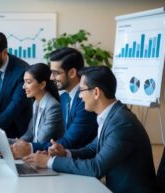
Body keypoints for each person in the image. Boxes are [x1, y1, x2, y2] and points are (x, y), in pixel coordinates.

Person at [24, 66, 158, 193]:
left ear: (96, 92)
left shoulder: (121, 123)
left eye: (81, 90)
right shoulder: (112, 115)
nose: (80, 97)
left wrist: (49, 162)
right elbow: (92, 149)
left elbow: (96, 167)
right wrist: (65, 153)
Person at [29, 47, 97, 152]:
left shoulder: (85, 101)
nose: (51, 77)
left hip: (78, 162)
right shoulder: (64, 98)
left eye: (56, 73)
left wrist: (30, 148)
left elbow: (70, 142)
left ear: (72, 73)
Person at [11, 63, 64, 159]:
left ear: (42, 84)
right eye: (24, 82)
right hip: (34, 154)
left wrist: (22, 147)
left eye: (28, 82)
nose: (24, 87)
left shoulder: (53, 106)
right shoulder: (36, 103)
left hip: (43, 157)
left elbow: (41, 140)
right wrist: (17, 145)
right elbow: (30, 133)